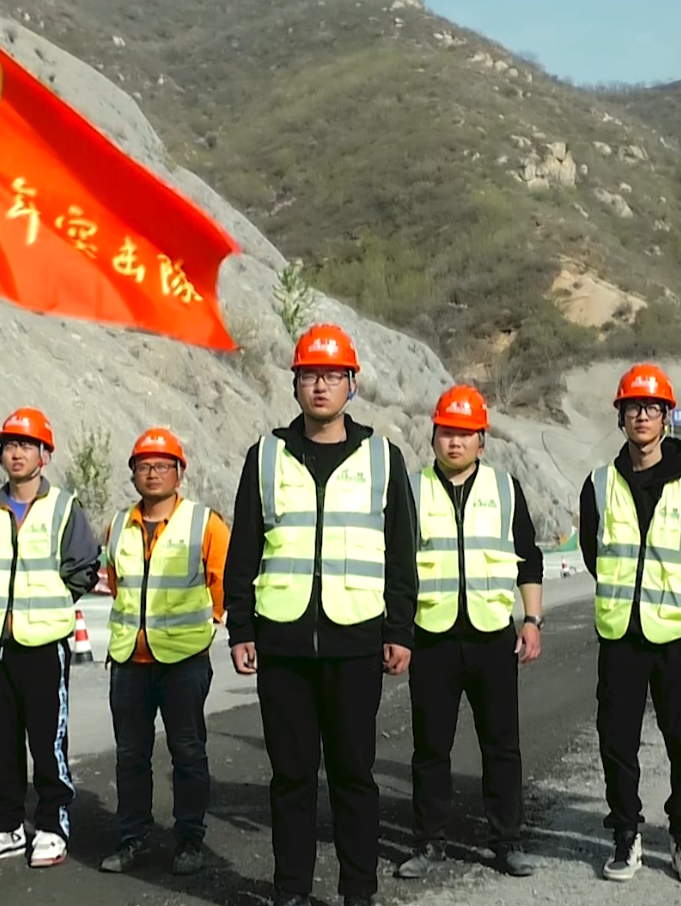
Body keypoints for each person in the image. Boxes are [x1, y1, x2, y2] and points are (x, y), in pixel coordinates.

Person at [224, 323, 419, 906]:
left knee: (354, 776)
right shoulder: (266, 457)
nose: (320, 386)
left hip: (356, 641)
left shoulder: (382, 458)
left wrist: (400, 630)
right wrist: (240, 627)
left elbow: (400, 552)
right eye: (310, 374)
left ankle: (359, 891)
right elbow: (244, 550)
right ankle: (291, 891)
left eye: (333, 375)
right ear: (295, 383)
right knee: (291, 778)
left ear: (351, 384)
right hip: (282, 643)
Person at [578, 364, 681, 884]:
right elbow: (594, 553)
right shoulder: (599, 484)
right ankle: (625, 833)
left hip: (677, 635)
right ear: (621, 416)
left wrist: (669, 602)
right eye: (633, 407)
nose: (642, 415)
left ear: (666, 417)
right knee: (617, 742)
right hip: (621, 635)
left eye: (651, 407)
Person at [397, 385, 544, 881]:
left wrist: (532, 620)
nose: (454, 442)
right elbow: (396, 567)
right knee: (430, 748)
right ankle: (429, 841)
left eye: (465, 433)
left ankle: (507, 841)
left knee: (502, 746)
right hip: (431, 635)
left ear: (482, 439)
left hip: (491, 636)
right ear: (433, 436)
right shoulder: (411, 490)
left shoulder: (505, 489)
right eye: (446, 432)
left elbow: (528, 558)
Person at [0, 407, 103, 869]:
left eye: (25, 445)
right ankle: (3, 826)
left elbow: (84, 566)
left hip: (43, 644)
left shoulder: (63, 507)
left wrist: (53, 600)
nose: (16, 453)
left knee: (47, 742)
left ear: (45, 454)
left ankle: (51, 826)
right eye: (9, 445)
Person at [99, 428, 230, 877]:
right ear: (133, 474)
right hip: (129, 661)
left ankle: (189, 840)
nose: (152, 473)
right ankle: (132, 838)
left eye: (161, 466)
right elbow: (116, 583)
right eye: (143, 466)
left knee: (188, 753)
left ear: (179, 473)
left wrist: (209, 625)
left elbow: (221, 582)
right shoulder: (118, 525)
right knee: (130, 756)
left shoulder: (204, 523)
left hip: (183, 661)